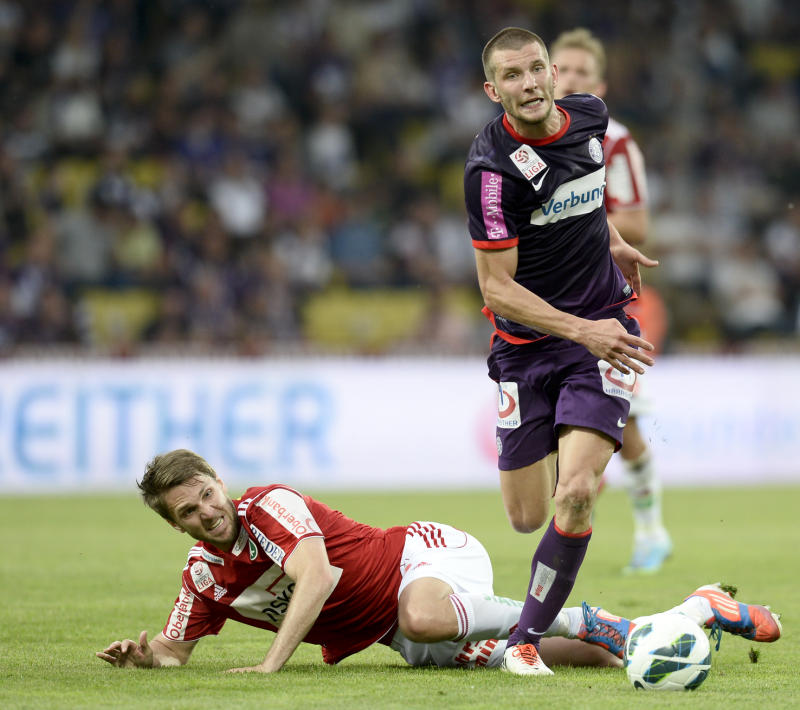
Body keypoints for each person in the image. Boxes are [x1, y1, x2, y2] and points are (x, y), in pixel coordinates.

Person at [95, 449, 781, 672]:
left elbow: (319, 576)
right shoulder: (204, 577)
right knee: (593, 661)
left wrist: (270, 666)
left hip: (421, 560)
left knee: (421, 615)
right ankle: (695, 611)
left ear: (219, 482)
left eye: (207, 494)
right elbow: (174, 652)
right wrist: (144, 656)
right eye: (189, 512)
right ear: (176, 525)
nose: (207, 511)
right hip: (398, 636)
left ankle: (586, 615)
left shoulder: (268, 504)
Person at [463, 27, 660, 676]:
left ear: (553, 73)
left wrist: (612, 243)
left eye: (536, 69)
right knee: (526, 516)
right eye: (511, 76)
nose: (528, 84)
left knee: (576, 492)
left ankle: (523, 642)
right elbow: (496, 289)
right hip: (525, 349)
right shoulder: (490, 171)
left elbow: (584, 194)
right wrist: (581, 329)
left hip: (601, 334)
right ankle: (571, 618)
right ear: (493, 91)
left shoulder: (591, 118)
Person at [550, 27, 672, 574]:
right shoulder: (522, 141)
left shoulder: (614, 140)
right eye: (563, 70)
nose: (570, 80)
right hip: (552, 303)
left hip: (604, 301)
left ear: (598, 86)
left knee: (626, 424)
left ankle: (650, 532)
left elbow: (638, 224)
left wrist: (569, 222)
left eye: (583, 73)